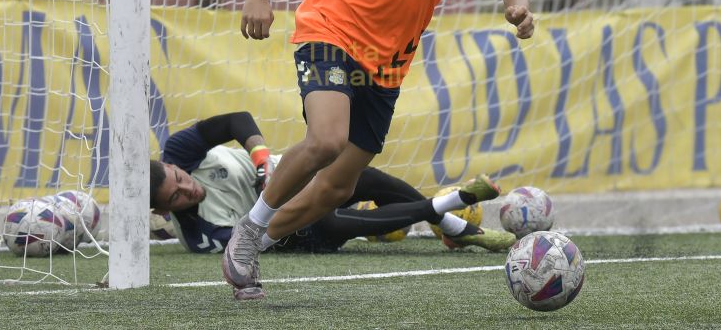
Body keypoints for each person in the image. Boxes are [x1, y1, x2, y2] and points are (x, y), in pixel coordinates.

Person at [227, 0, 535, 300]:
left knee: (337, 189)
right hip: (328, 32)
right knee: (327, 139)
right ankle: (247, 233)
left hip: (387, 65)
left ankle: (254, 240)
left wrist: (518, 8)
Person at [150, 111, 515, 257]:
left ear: (172, 166)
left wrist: (263, 163)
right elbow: (256, 242)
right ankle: (453, 210)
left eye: (180, 179)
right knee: (329, 219)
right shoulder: (198, 236)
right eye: (177, 197)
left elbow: (236, 121)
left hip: (295, 175)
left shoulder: (179, 151)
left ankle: (451, 225)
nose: (188, 188)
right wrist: (272, 202)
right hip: (293, 229)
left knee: (364, 176)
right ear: (164, 211)